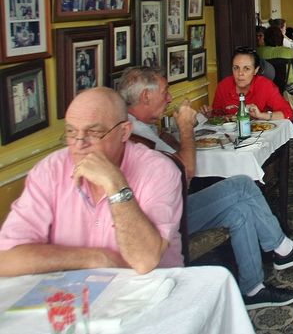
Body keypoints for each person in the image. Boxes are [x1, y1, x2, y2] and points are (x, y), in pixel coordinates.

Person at [117, 67, 293, 310]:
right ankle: (283, 248)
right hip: (161, 223)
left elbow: (169, 153)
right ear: (145, 96)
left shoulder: (140, 127)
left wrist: (175, 133)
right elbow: (183, 174)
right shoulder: (135, 136)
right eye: (165, 92)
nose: (169, 98)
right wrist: (186, 129)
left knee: (240, 211)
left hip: (172, 209)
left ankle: (253, 288)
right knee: (242, 186)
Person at [0, 87, 183, 276]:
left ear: (124, 132)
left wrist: (116, 186)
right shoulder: (50, 170)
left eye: (94, 132)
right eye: (71, 132)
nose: (79, 145)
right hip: (73, 295)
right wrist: (95, 258)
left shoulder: (158, 170)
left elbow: (144, 261)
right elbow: (6, 258)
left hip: (153, 293)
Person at [203, 47, 293, 120]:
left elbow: (288, 113)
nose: (240, 73)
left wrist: (261, 115)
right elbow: (217, 113)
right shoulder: (223, 86)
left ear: (255, 70)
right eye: (236, 68)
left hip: (260, 136)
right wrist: (210, 113)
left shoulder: (265, 86)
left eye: (246, 68)